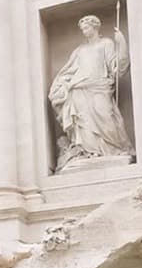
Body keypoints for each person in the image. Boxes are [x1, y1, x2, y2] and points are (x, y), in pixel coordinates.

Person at [49, 14, 133, 167]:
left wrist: (121, 44)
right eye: (82, 29)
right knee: (83, 123)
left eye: (86, 28)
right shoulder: (79, 50)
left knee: (105, 115)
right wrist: (63, 84)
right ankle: (89, 152)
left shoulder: (106, 44)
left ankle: (115, 149)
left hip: (100, 86)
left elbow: (116, 68)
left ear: (95, 27)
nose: (84, 31)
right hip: (79, 89)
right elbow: (67, 71)